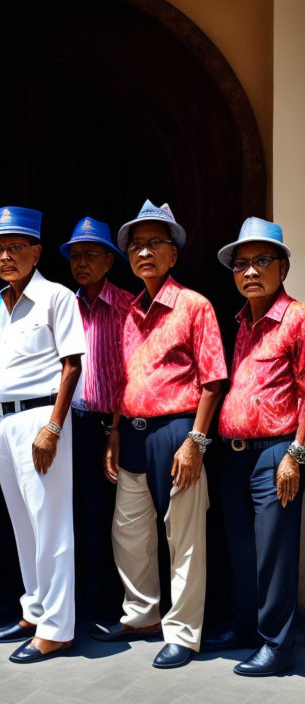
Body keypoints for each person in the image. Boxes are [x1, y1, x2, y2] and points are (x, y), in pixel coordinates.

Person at [92, 200, 226, 670]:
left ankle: (184, 632)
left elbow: (212, 380)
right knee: (128, 532)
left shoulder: (195, 305)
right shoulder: (128, 311)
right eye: (136, 244)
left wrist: (196, 440)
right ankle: (141, 614)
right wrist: (112, 432)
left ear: (173, 255)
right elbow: (123, 381)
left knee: (184, 537)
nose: (144, 252)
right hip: (130, 430)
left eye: (155, 243)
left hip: (177, 430)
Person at [0, 206, 84, 664]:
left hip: (41, 420)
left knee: (50, 525)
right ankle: (35, 609)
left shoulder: (57, 296)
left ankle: (58, 628)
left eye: (15, 247)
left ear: (37, 251)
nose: (5, 256)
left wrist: (54, 426)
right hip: (3, 422)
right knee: (22, 524)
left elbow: (72, 365)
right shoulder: (2, 303)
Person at [207, 218, 304, 676]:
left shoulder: (297, 317)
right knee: (241, 549)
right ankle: (245, 627)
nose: (249, 271)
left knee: (274, 553)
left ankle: (278, 644)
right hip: (236, 453)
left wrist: (296, 454)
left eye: (261, 260)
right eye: (241, 264)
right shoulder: (241, 321)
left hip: (276, 452)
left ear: (282, 267)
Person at [59, 217, 134, 619]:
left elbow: (130, 373)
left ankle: (106, 603)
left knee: (106, 515)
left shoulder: (127, 305)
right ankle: (79, 602)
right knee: (70, 513)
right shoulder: (63, 304)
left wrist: (116, 431)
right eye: (75, 255)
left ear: (109, 260)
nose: (81, 262)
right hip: (70, 423)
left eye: (90, 254)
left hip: (109, 425)